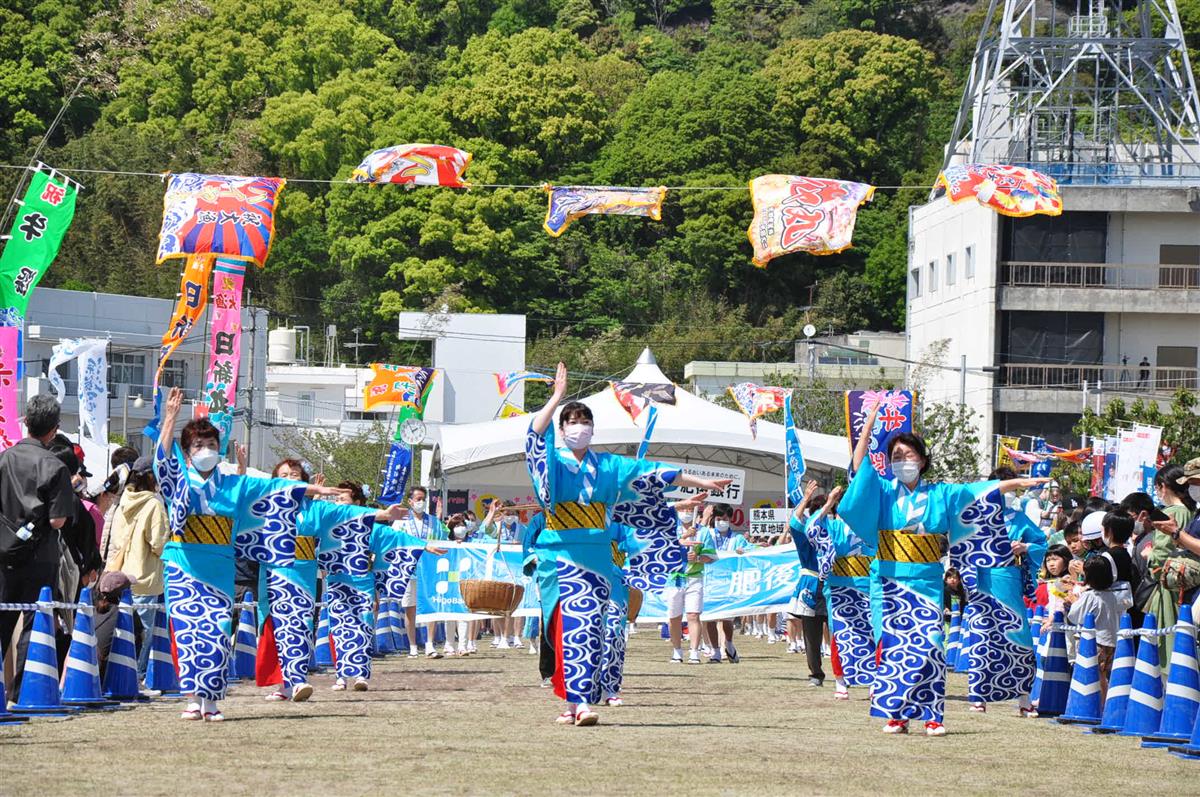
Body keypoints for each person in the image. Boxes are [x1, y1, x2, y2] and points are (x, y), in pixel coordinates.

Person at [524, 362, 729, 726]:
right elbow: (533, 439)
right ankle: (576, 703)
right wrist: (556, 397)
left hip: (599, 559)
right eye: (571, 422)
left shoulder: (609, 466)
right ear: (562, 428)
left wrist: (701, 483)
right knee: (569, 626)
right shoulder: (552, 461)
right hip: (559, 557)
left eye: (585, 422)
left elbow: (656, 473)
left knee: (587, 627)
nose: (579, 428)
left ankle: (582, 703)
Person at [837, 400, 1046, 737]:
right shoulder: (884, 491)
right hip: (889, 581)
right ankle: (898, 715)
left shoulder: (942, 494)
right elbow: (859, 471)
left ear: (922, 459)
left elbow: (976, 494)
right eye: (896, 457)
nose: (903, 462)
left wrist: (1013, 484)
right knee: (895, 648)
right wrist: (868, 427)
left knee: (931, 645)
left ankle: (933, 715)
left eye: (908, 455)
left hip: (927, 581)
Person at [153, 387, 344, 721]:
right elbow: (162, 463)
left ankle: (210, 701)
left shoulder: (234, 485)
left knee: (215, 633)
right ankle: (192, 699)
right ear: (187, 452)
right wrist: (169, 418)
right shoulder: (180, 480)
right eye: (198, 446)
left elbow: (276, 489)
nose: (206, 451)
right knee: (187, 634)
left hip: (219, 570)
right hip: (183, 567)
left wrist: (317, 490)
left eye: (212, 445)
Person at [0, 394, 75, 701]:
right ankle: (23, 693)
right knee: (35, 624)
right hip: (39, 556)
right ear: (54, 430)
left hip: (3, 553)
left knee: (1, 621)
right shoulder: (55, 466)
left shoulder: (4, 458)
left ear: (26, 423)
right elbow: (57, 521)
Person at [803, 484, 875, 700]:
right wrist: (828, 503)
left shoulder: (869, 527)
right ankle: (840, 680)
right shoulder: (832, 526)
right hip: (838, 587)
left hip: (867, 584)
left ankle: (874, 681)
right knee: (840, 634)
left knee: (871, 633)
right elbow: (811, 529)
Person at [103, 455, 169, 680]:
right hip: (145, 577)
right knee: (144, 633)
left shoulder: (123, 500)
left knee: (125, 630)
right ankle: (136, 675)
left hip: (120, 575)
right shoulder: (153, 503)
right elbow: (159, 544)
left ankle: (121, 674)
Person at [394, 485, 448, 658]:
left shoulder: (433, 521)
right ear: (410, 502)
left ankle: (430, 644)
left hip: (429, 570)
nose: (421, 502)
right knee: (410, 608)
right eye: (418, 499)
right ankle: (412, 646)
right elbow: (394, 542)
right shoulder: (401, 520)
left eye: (423, 499)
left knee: (431, 606)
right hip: (408, 570)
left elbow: (444, 541)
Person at [1064, 554, 1126, 701]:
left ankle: (1099, 705)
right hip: (1112, 640)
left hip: (1095, 642)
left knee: (1095, 675)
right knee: (1103, 675)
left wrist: (1074, 601)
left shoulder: (1090, 596)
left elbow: (1075, 616)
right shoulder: (1113, 595)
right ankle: (1103, 703)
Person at [666, 503, 717, 665]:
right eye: (684, 509)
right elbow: (664, 551)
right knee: (674, 617)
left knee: (693, 615)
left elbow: (710, 557)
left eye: (690, 510)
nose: (687, 512)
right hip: (674, 578)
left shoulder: (703, 533)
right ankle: (677, 651)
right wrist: (685, 537)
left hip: (695, 578)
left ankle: (694, 652)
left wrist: (697, 558)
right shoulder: (670, 529)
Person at [789, 481, 828, 687]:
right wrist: (805, 499)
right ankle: (816, 673)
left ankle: (846, 672)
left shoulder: (838, 529)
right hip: (811, 585)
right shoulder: (806, 534)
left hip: (836, 583)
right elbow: (794, 522)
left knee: (841, 630)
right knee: (811, 636)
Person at [704, 503, 746, 664]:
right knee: (710, 617)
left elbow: (750, 550)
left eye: (725, 519)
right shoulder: (707, 535)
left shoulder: (737, 538)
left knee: (727, 618)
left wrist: (746, 551)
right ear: (714, 519)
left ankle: (728, 643)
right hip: (710, 580)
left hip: (729, 581)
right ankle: (715, 651)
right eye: (719, 519)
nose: (722, 521)